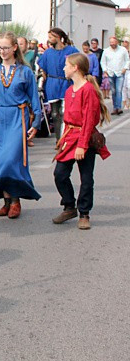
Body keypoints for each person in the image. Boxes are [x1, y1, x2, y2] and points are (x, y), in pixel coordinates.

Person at [0, 32, 42, 219]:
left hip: (17, 117)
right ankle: (6, 201)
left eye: (5, 48)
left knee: (10, 160)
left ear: (14, 48)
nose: (2, 51)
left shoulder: (25, 72)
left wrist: (36, 122)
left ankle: (15, 201)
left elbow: (34, 100)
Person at [52, 53, 111, 230]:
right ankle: (70, 206)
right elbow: (67, 119)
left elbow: (88, 121)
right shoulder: (69, 90)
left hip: (84, 138)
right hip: (70, 136)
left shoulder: (88, 90)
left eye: (66, 65)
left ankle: (84, 213)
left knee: (86, 177)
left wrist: (82, 145)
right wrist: (63, 139)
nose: (64, 68)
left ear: (75, 68)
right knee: (60, 174)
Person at [37, 28, 78, 141]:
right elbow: (42, 66)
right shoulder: (48, 52)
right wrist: (43, 74)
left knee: (64, 111)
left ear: (59, 37)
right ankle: (58, 140)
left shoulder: (71, 51)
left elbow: (79, 63)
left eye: (51, 37)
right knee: (55, 113)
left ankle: (66, 137)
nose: (49, 40)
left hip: (67, 83)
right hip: (52, 83)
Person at [99, 36, 129, 115]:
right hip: (110, 73)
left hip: (120, 73)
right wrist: (105, 70)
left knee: (119, 90)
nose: (112, 44)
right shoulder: (106, 51)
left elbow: (127, 60)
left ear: (117, 42)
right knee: (113, 91)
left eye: (114, 42)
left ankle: (118, 107)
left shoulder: (123, 50)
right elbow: (103, 62)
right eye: (111, 42)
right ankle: (114, 107)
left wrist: (125, 68)